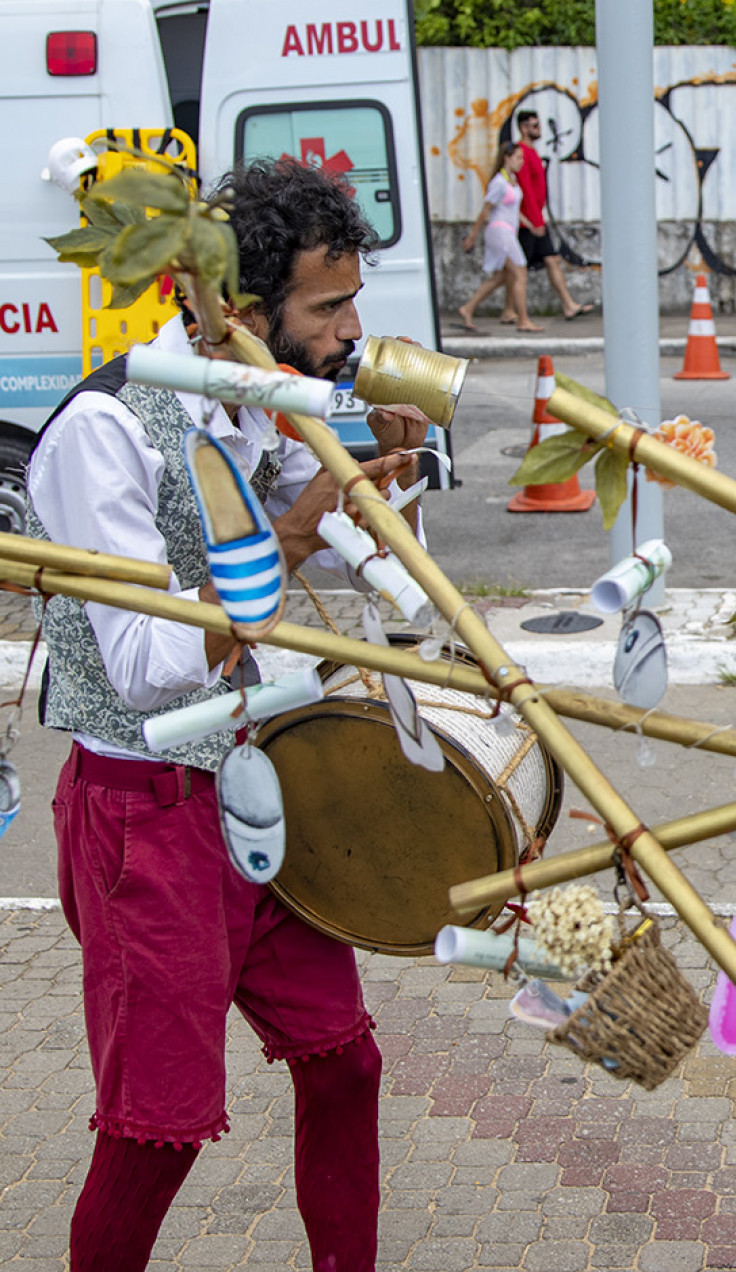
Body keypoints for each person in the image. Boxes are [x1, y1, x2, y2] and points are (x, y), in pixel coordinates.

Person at [23, 158, 430, 1272]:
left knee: (344, 1062)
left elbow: (377, 596)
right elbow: (150, 666)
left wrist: (377, 489)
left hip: (254, 785)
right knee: (156, 1130)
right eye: (328, 306)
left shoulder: (259, 405)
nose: (353, 330)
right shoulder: (106, 431)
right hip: (144, 819)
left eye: (353, 300)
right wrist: (296, 526)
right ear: (243, 316)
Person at [513, 108, 593, 321]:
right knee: (510, 273)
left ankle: (568, 304)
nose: (539, 129)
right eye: (534, 126)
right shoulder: (521, 153)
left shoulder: (531, 151)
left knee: (550, 260)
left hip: (536, 219)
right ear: (523, 128)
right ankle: (492, 310)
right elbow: (526, 190)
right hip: (529, 223)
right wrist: (535, 221)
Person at [458, 142, 541, 333]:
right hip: (500, 232)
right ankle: (524, 320)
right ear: (507, 157)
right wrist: (472, 236)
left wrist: (529, 224)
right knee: (520, 272)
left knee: (502, 276)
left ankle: (468, 308)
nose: (521, 162)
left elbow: (511, 209)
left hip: (508, 232)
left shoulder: (511, 180)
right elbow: (485, 211)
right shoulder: (499, 182)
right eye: (518, 158)